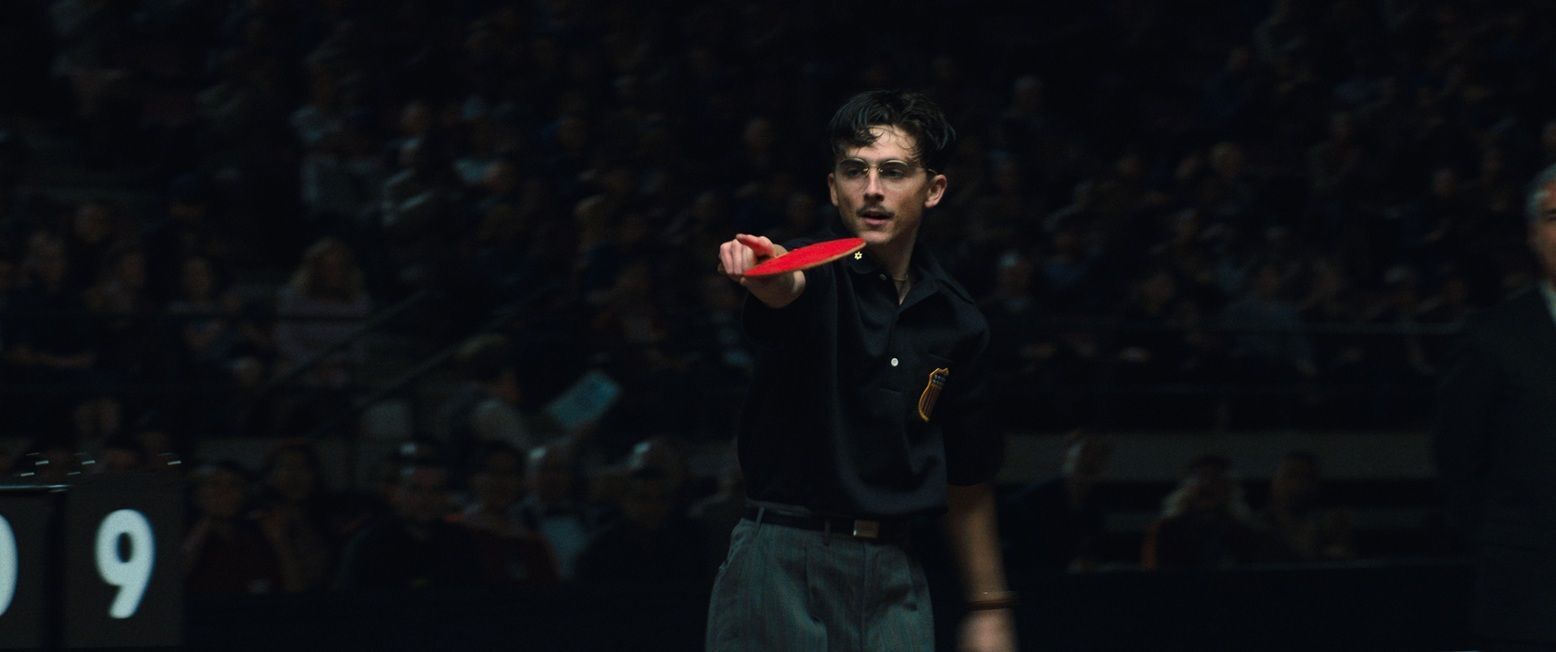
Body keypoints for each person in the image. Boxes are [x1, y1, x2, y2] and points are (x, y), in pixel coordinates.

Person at [708, 90, 1014, 652]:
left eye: (893, 172)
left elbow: (968, 477)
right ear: (834, 188)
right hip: (782, 558)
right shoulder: (813, 272)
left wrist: (988, 606)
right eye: (855, 171)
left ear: (933, 189)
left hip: (894, 571)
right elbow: (785, 286)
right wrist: (765, 273)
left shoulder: (959, 320)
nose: (872, 188)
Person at [1436, 164, 1556, 651]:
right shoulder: (1492, 336)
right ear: (1532, 234)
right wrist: (1509, 543)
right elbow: (1457, 460)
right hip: (1530, 600)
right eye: (1555, 217)